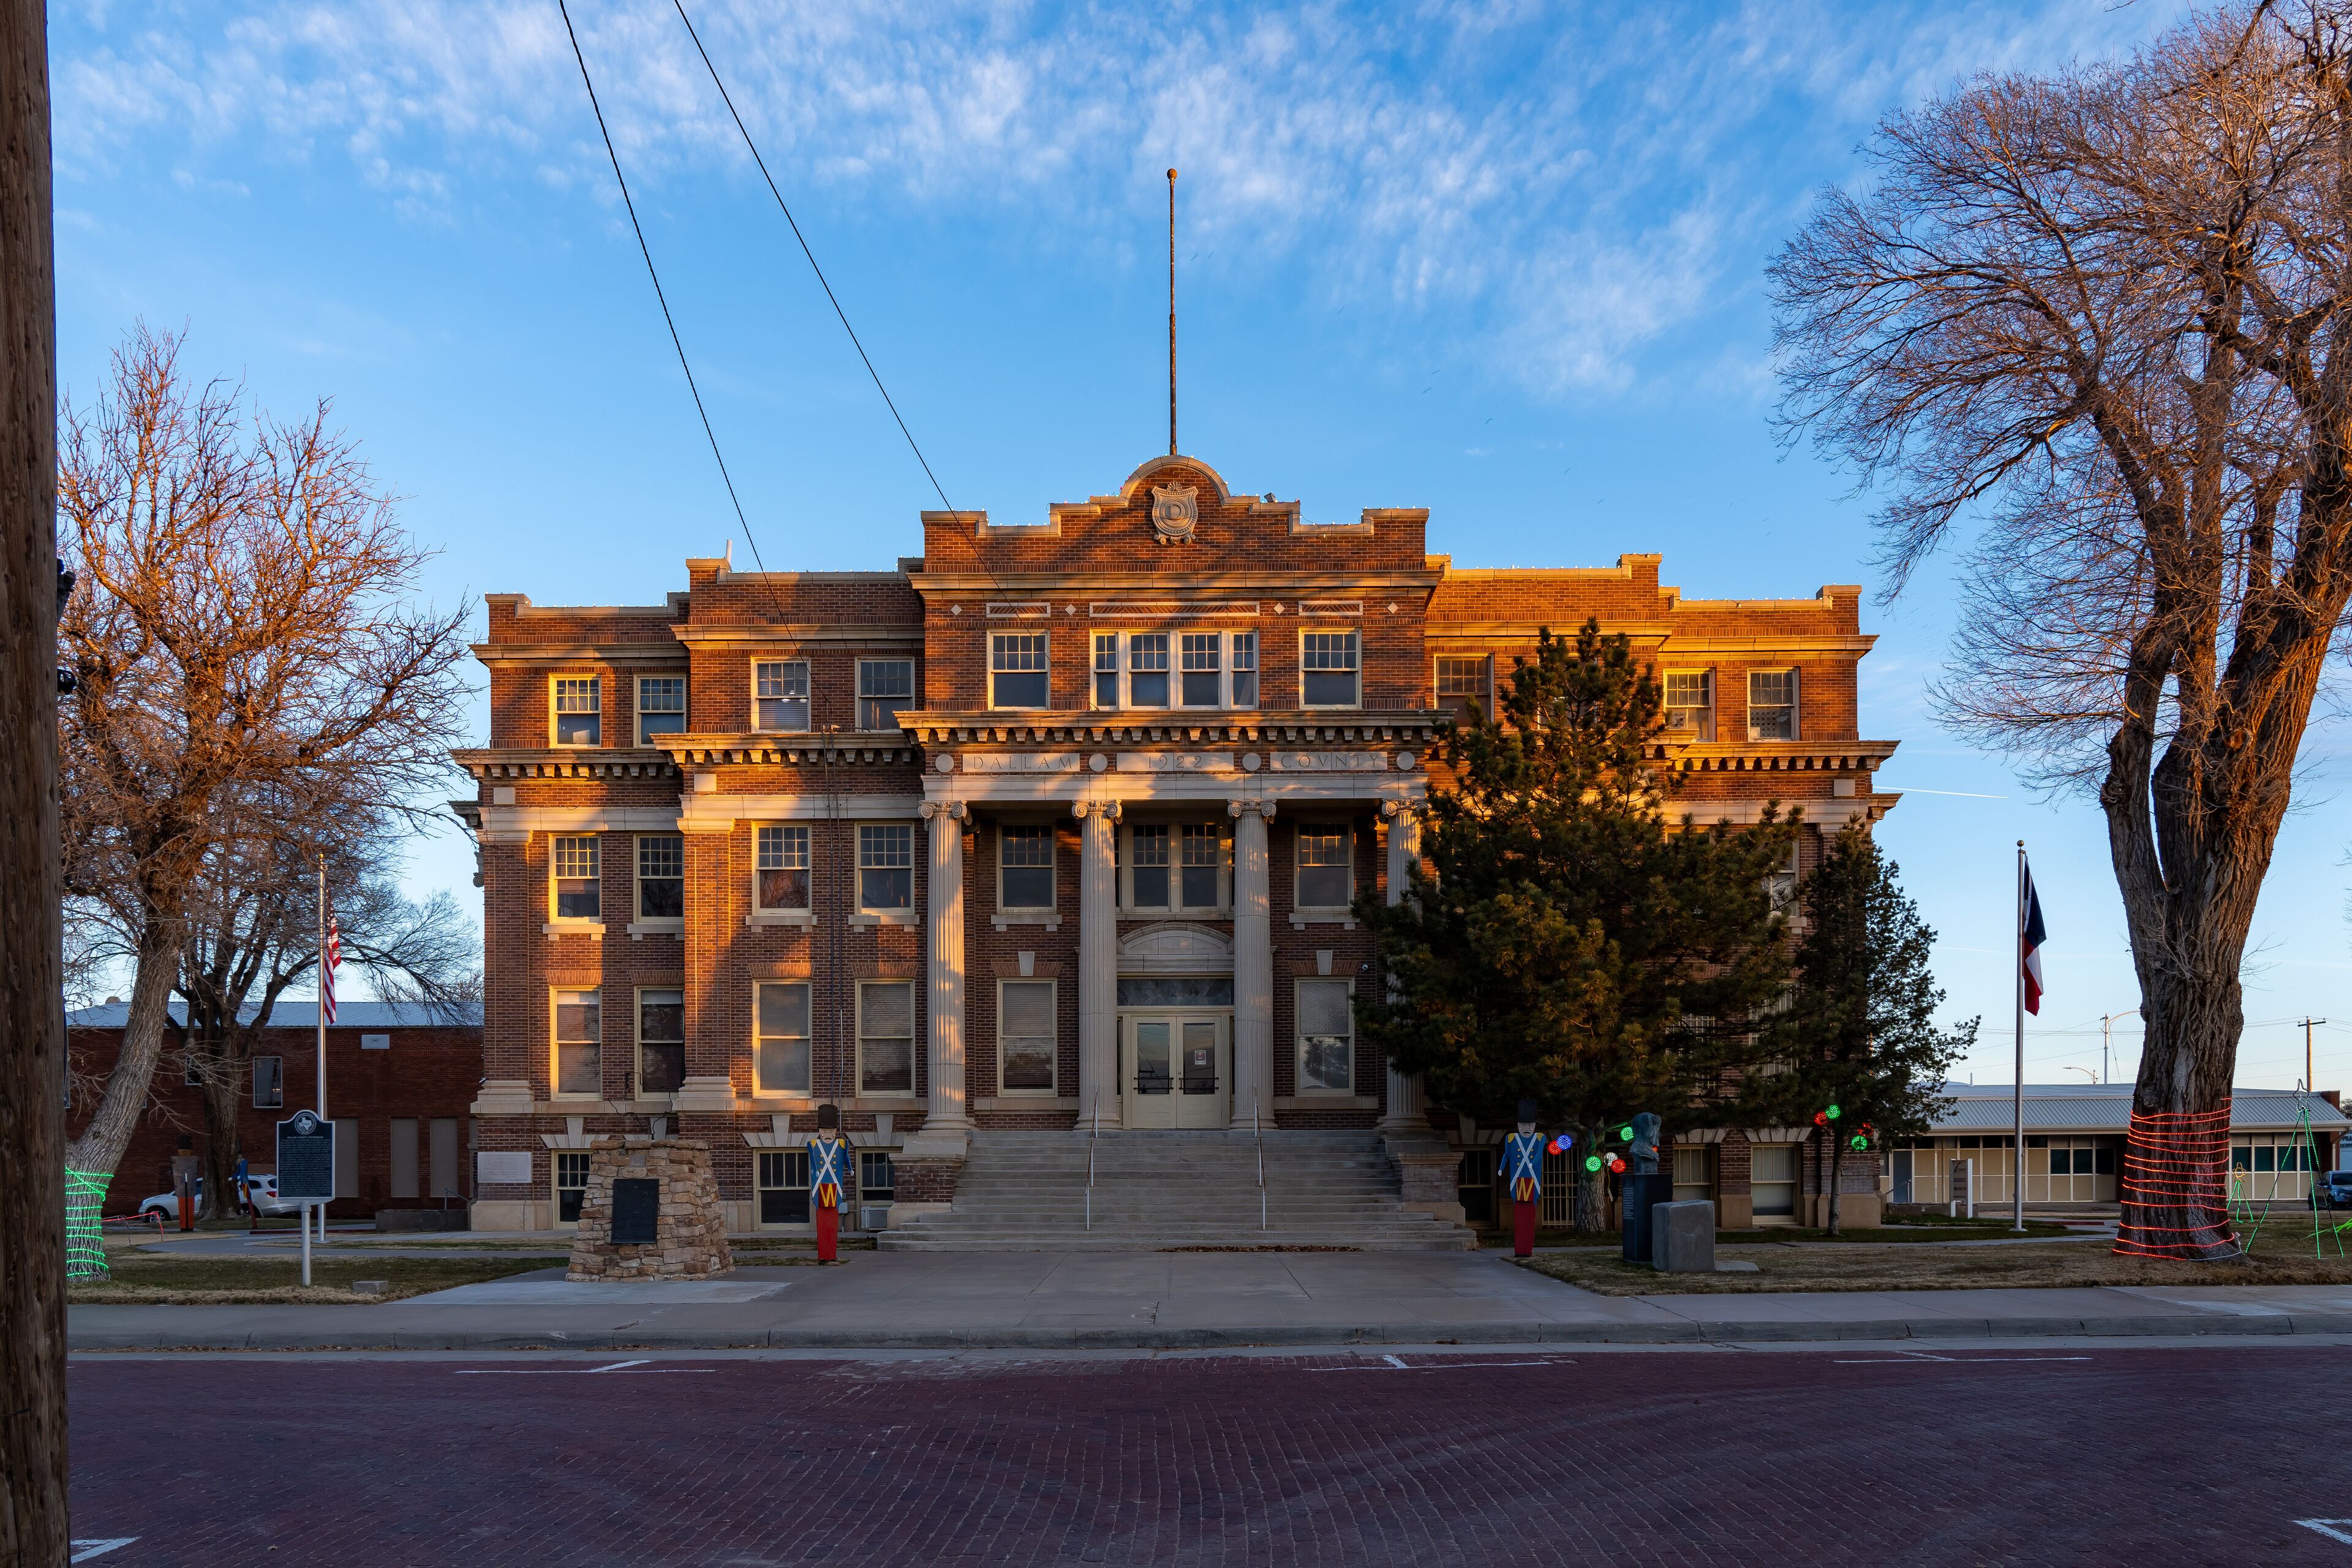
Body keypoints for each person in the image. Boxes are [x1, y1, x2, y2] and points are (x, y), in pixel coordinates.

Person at [807, 1104, 855, 1264]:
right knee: (822, 1223)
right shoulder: (814, 1145)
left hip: (835, 1188)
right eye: (824, 1131)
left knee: (832, 1223)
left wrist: (850, 1169)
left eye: (830, 1131)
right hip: (820, 1188)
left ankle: (832, 1255)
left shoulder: (842, 1144)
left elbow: (846, 1158)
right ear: (820, 1132)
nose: (827, 1134)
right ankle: (822, 1256)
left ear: (835, 1132)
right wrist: (815, 1171)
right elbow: (814, 1162)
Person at [1501, 1100, 1544, 1257]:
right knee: (1519, 1212)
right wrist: (1501, 1169)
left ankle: (1527, 1249)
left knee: (1529, 1212)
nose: (1526, 1129)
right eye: (1523, 1125)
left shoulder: (1540, 1138)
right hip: (1517, 1181)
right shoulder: (1511, 1138)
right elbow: (1507, 1155)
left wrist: (1533, 1162)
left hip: (1533, 1181)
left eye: (1530, 1125)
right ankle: (1520, 1249)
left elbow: (1539, 1153)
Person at [170, 1136, 202, 1232]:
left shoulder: (193, 1160)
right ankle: (184, 1226)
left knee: (188, 1207)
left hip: (190, 1189)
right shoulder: (177, 1161)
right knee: (183, 1207)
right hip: (182, 1189)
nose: (184, 1153)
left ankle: (189, 1226)